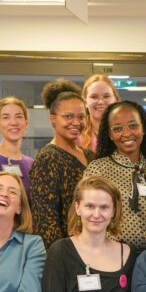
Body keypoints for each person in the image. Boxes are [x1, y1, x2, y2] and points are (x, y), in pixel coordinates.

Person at [82, 100, 146, 252]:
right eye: (118, 129)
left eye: (133, 126)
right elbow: (86, 216)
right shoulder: (97, 170)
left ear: (143, 128)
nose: (127, 133)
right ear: (109, 134)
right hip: (109, 255)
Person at [29, 82, 93, 248]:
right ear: (53, 119)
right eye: (68, 116)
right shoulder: (47, 159)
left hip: (93, 246)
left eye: (81, 116)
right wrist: (63, 258)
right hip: (67, 252)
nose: (76, 122)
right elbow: (45, 222)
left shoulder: (90, 156)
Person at [78, 74, 120, 155]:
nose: (101, 102)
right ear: (85, 102)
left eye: (106, 96)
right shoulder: (76, 137)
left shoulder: (126, 133)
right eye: (94, 97)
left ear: (116, 100)